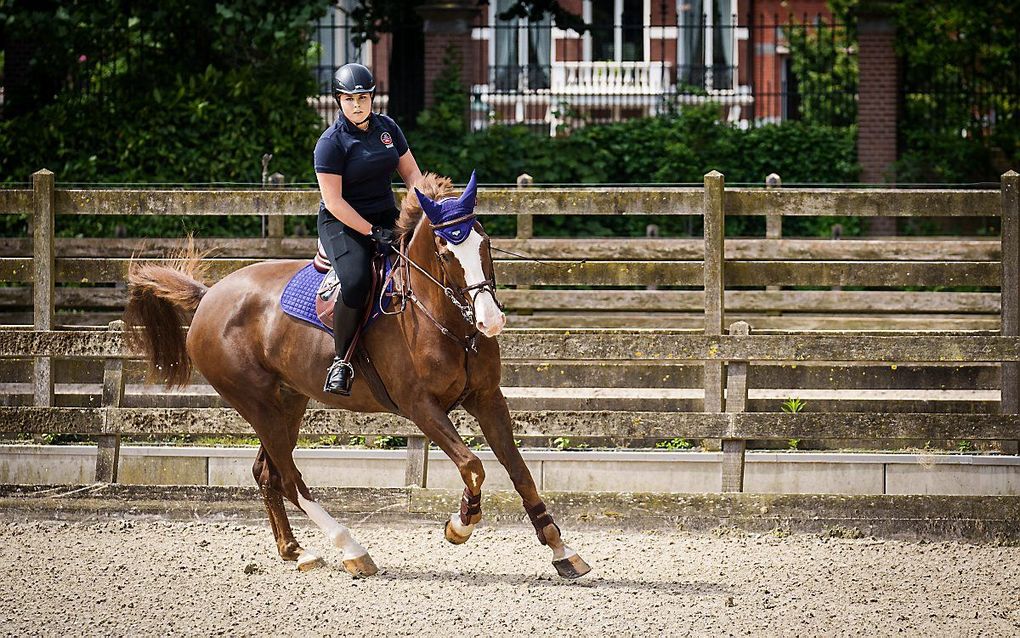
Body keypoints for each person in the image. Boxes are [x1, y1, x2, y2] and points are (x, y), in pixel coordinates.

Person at [314, 63, 422, 395]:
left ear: (373, 97)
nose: (357, 105)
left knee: (425, 261)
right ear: (338, 101)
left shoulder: (388, 128)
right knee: (358, 279)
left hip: (386, 215)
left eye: (363, 97)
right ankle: (341, 362)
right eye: (348, 99)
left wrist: (427, 211)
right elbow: (333, 202)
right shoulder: (330, 143)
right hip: (342, 222)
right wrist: (372, 231)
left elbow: (413, 178)